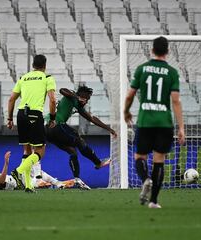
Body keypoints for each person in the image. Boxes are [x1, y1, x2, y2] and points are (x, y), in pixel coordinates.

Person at [124, 36, 185, 209]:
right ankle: (154, 201)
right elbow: (176, 101)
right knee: (159, 160)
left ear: (152, 50)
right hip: (164, 122)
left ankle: (146, 179)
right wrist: (181, 127)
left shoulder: (142, 69)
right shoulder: (172, 72)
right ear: (167, 51)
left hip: (145, 121)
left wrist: (126, 111)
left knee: (139, 157)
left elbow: (130, 95)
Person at [45, 85, 117, 190]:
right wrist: (76, 97)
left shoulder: (78, 106)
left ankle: (77, 179)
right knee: (78, 139)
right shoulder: (71, 96)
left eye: (87, 100)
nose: (86, 102)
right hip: (56, 125)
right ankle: (98, 162)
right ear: (80, 96)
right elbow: (62, 90)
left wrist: (108, 128)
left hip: (48, 131)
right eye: (86, 99)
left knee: (72, 151)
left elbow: (92, 118)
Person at [7, 54, 57, 192]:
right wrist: (53, 118)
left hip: (21, 114)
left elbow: (11, 99)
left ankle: (28, 186)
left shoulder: (23, 78)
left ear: (33, 65)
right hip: (35, 114)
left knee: (27, 150)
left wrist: (10, 119)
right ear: (45, 66)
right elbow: (52, 100)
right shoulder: (47, 78)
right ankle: (18, 171)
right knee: (40, 150)